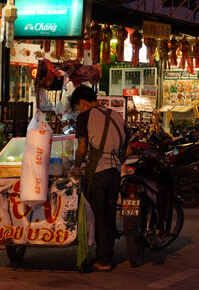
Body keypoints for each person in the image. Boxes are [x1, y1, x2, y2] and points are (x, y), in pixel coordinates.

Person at [70, 85, 128, 272]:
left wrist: (76, 167)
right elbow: (127, 150)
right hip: (115, 171)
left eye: (78, 107)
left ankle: (104, 259)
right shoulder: (117, 116)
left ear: (83, 103)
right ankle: (107, 254)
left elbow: (82, 148)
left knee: (99, 215)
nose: (79, 110)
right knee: (109, 213)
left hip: (98, 172)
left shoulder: (84, 117)